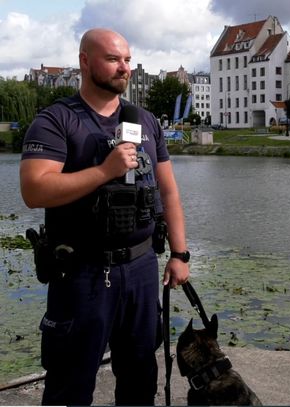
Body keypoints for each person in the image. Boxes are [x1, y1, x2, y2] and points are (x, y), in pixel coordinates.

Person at [20, 28, 190, 406]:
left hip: (143, 269)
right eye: (113, 59)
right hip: (83, 273)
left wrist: (179, 253)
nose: (123, 68)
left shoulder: (144, 120)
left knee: (140, 377)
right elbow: (34, 190)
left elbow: (169, 191)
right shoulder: (56, 120)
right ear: (85, 61)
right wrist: (104, 171)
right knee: (70, 384)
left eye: (127, 60)